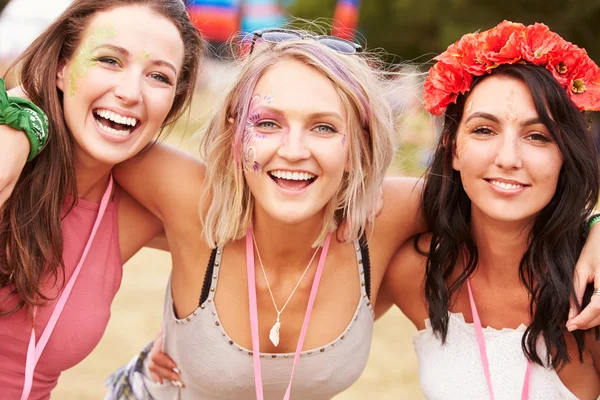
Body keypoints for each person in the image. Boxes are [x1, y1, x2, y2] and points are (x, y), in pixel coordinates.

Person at [102, 28, 600, 399]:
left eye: (323, 127)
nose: (293, 150)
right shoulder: (188, 196)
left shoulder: (386, 218)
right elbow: (78, 144)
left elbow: (497, 186)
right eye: (268, 122)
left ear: (358, 144)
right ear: (235, 129)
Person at [380, 21, 600, 399]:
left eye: (538, 136)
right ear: (452, 148)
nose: (508, 158)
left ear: (566, 155)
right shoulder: (412, 271)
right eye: (484, 130)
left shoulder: (591, 294)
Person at [0, 0, 203, 398]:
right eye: (109, 60)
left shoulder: (136, 211)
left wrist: (184, 338)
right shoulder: (8, 150)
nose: (130, 93)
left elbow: (253, 235)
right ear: (61, 67)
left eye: (159, 77)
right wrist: (21, 118)